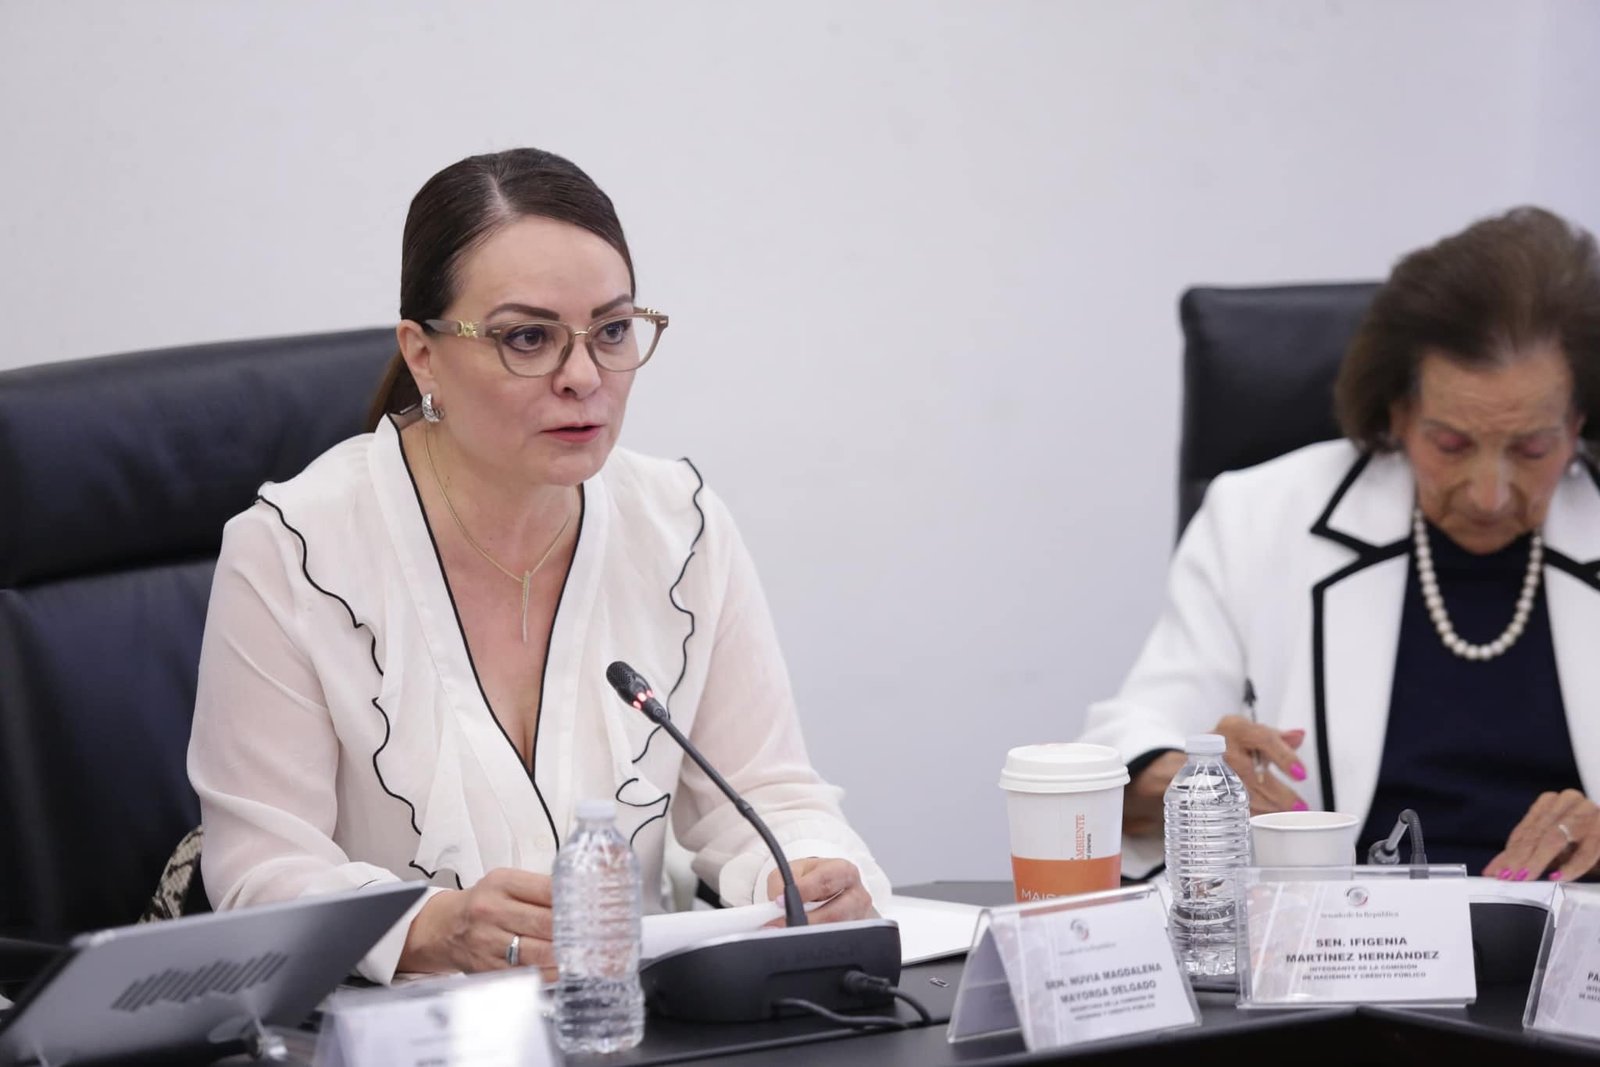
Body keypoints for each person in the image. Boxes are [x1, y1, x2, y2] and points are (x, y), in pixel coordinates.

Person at [187, 148, 888, 984]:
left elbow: (768, 793)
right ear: (423, 353)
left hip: (632, 1021)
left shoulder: (682, 526)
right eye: (528, 338)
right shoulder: (294, 550)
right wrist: (431, 927)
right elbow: (261, 873)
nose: (584, 377)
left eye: (613, 330)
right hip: (397, 1032)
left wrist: (803, 870)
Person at [1081, 207, 1600, 883]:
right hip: (1332, 935)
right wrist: (1189, 778)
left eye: (1532, 448)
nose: (1489, 494)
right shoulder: (1260, 516)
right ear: (1397, 413)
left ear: (1579, 420)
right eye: (1451, 444)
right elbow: (1130, 741)